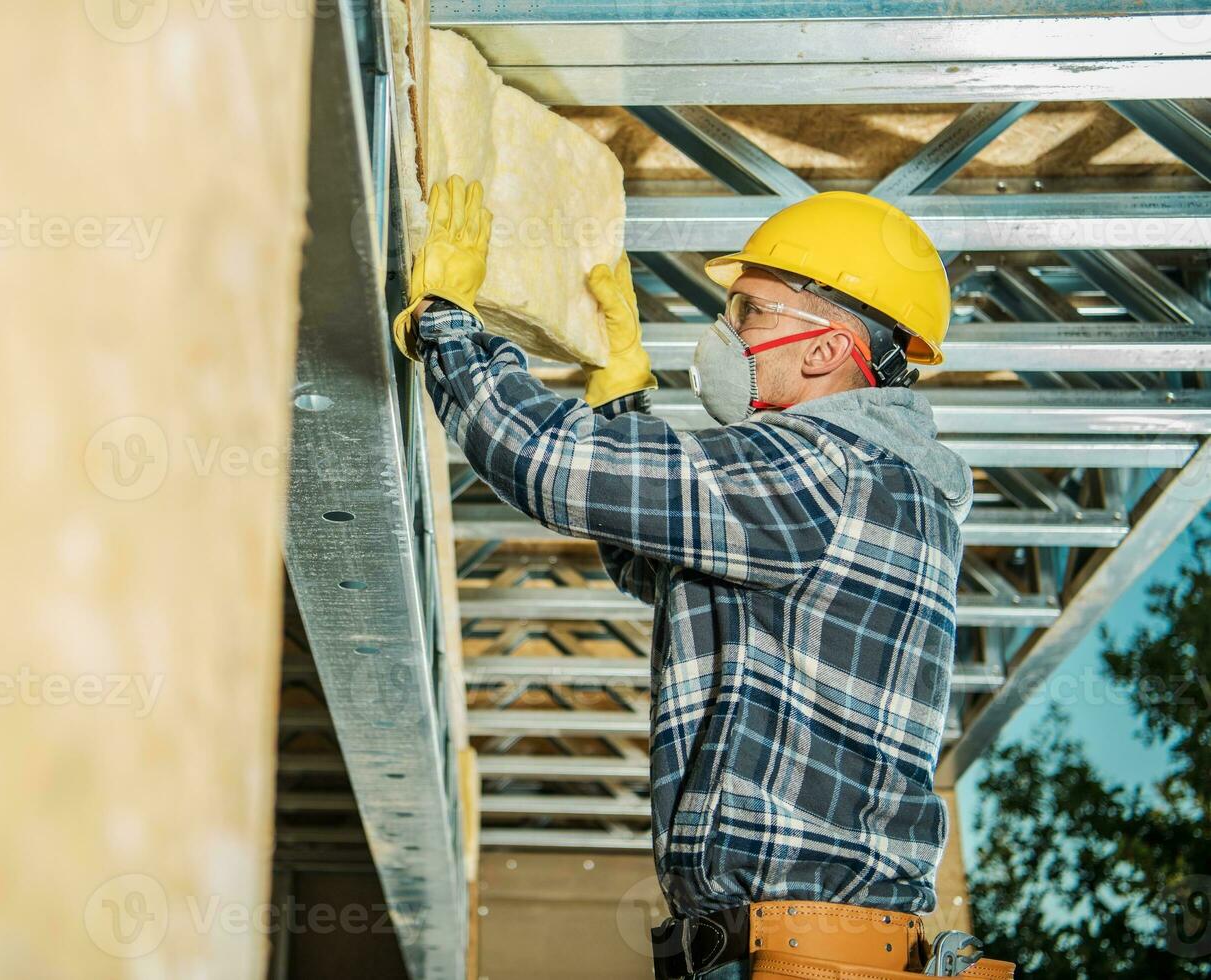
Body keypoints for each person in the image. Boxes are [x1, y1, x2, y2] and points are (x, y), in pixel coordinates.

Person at [395, 176, 1012, 979]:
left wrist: (447, 322)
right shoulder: (878, 486)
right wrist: (621, 404)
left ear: (826, 350)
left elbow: (544, 463)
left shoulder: (824, 470)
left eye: (748, 312)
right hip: (802, 951)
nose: (725, 331)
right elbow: (667, 568)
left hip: (794, 955)